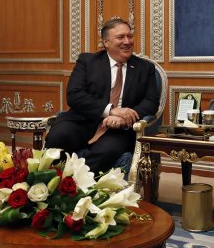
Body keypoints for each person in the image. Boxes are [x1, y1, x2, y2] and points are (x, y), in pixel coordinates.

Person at [44, 18, 159, 175]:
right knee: (57, 136)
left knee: (105, 151)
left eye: (130, 36)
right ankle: (52, 181)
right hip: (85, 120)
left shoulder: (145, 68)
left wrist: (124, 118)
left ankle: (77, 185)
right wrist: (111, 110)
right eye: (120, 37)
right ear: (106, 42)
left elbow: (151, 102)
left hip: (120, 130)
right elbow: (75, 95)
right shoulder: (87, 61)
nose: (127, 41)